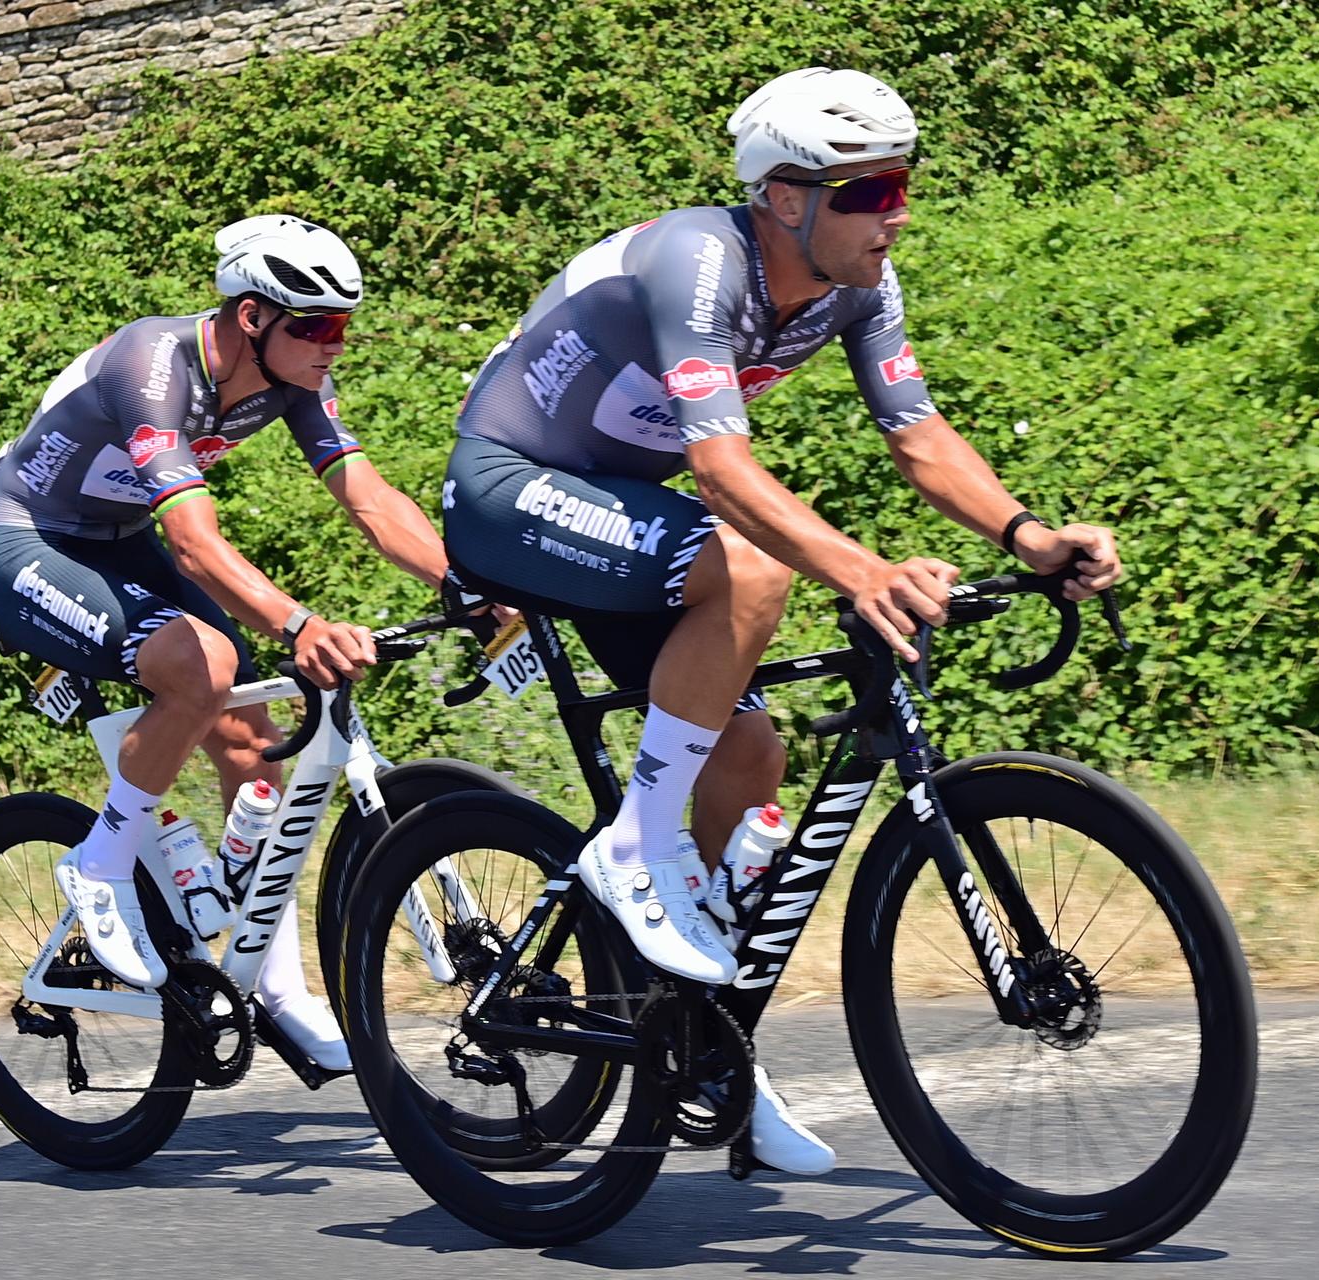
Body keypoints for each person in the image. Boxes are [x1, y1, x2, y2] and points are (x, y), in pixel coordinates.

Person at [439, 68, 1123, 1174]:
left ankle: (700, 1041)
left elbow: (919, 434)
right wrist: (860, 568)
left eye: (903, 186)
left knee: (748, 752)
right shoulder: (699, 262)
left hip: (620, 512)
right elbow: (718, 466)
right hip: (510, 489)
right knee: (753, 572)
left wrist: (1030, 537)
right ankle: (637, 851)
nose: (894, 213)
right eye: (869, 193)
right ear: (786, 197)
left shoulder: (861, 281)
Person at [0, 214, 454, 1071]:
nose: (333, 345)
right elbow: (194, 541)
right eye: (315, 326)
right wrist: (299, 624)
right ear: (250, 317)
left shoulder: (295, 380)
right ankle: (101, 863)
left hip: (120, 542)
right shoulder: (150, 365)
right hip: (29, 542)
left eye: (344, 326)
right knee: (212, 666)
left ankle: (273, 985)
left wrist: (464, 585)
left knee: (253, 742)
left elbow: (370, 500)